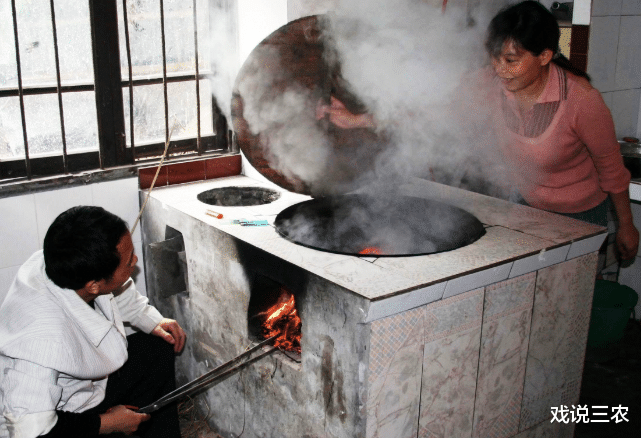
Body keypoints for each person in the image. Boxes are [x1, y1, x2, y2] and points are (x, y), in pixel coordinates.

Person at [0, 206, 186, 437]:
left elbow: (116, 292)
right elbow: (31, 431)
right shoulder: (39, 346)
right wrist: (108, 423)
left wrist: (151, 320)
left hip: (87, 389)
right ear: (94, 285)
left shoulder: (66, 265)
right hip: (61, 421)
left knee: (156, 350)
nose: (135, 261)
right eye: (128, 260)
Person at [485, 1, 639, 260]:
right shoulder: (492, 86)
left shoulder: (582, 101)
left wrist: (626, 227)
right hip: (526, 206)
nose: (499, 69)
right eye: (494, 57)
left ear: (544, 56)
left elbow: (612, 169)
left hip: (581, 217)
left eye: (511, 60)